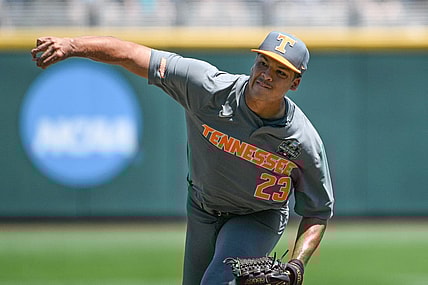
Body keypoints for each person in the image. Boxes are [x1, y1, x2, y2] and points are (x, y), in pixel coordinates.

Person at [31, 31, 335, 284]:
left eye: (280, 72)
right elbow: (133, 54)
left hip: (257, 216)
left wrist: (297, 264)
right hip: (202, 209)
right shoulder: (207, 88)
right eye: (263, 63)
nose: (266, 75)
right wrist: (72, 46)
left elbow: (318, 211)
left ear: (294, 83)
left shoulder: (302, 141)